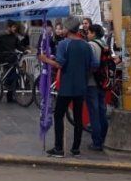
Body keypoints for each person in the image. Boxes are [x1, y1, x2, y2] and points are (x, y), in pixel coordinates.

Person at [39, 16, 92, 157]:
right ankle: (76, 149)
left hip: (66, 87)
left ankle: (59, 148)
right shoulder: (86, 45)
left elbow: (59, 64)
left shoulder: (64, 44)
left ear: (68, 29)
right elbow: (92, 65)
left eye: (63, 27)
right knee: (78, 118)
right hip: (81, 86)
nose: (61, 30)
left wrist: (45, 59)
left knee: (58, 115)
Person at [0, 20, 27, 103]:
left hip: (12, 58)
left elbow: (18, 46)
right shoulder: (0, 35)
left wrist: (24, 50)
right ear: (8, 27)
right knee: (10, 76)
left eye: (15, 27)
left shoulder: (14, 36)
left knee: (14, 76)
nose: (15, 29)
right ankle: (7, 90)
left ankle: (10, 95)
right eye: (13, 27)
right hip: (4, 58)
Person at [86, 23, 109, 151]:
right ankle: (104, 137)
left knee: (94, 113)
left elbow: (92, 64)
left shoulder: (91, 45)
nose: (87, 35)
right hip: (102, 81)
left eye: (89, 32)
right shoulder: (103, 44)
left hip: (92, 82)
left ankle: (97, 142)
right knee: (101, 110)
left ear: (93, 33)